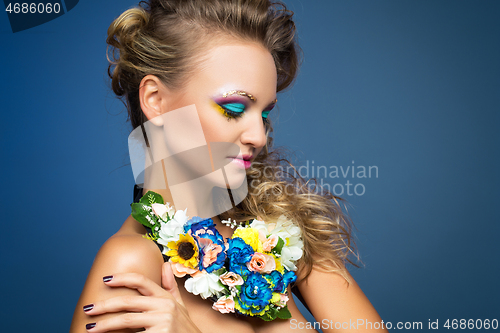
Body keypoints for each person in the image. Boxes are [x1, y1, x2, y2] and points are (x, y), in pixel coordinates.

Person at [70, 0, 387, 332]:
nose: (258, 136)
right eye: (233, 108)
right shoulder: (130, 262)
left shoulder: (280, 232)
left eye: (264, 113)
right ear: (155, 100)